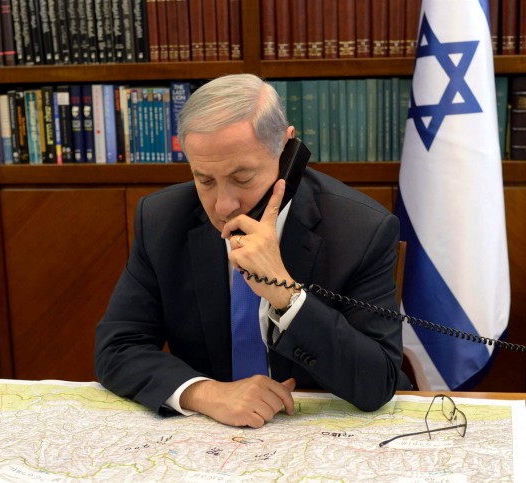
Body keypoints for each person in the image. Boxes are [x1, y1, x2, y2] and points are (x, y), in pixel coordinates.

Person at [95, 73, 410, 428]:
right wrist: (206, 393)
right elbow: (118, 348)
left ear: (287, 149)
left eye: (243, 178)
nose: (224, 205)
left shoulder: (361, 229)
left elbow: (377, 381)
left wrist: (287, 297)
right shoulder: (161, 219)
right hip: (212, 434)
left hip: (318, 431)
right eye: (205, 180)